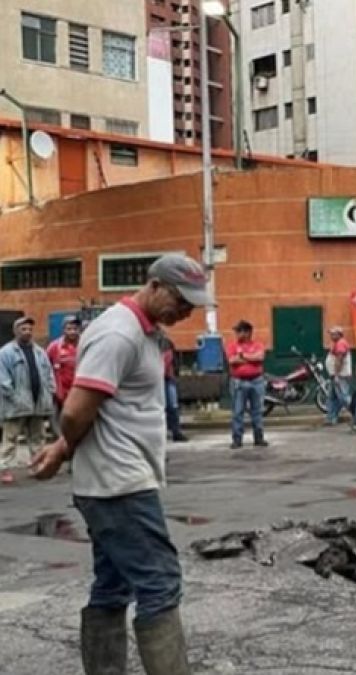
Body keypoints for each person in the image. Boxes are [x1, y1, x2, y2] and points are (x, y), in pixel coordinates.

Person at [28, 253, 210, 675]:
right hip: (119, 485)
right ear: (154, 284)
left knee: (113, 585)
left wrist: (60, 449)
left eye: (192, 305)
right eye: (181, 300)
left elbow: (95, 412)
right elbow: (75, 412)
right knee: (160, 583)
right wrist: (63, 445)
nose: (185, 311)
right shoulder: (119, 334)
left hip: (114, 480)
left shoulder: (141, 333)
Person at [0, 316, 56, 485]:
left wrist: (51, 391)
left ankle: (35, 465)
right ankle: (4, 468)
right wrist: (14, 397)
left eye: (30, 329)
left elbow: (48, 373)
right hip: (16, 404)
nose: (27, 332)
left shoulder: (39, 352)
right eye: (23, 329)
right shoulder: (6, 353)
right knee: (10, 439)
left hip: (38, 402)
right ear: (16, 331)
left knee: (37, 438)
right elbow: (3, 379)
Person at [225, 320, 267, 450]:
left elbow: (260, 357)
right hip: (239, 381)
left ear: (247, 332)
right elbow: (232, 360)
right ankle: (237, 439)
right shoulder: (232, 346)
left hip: (256, 381)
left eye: (239, 331)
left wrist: (243, 356)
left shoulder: (258, 345)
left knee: (257, 411)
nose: (237, 334)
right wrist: (250, 358)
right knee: (238, 411)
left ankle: (258, 438)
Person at [47, 315, 81, 422]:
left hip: (79, 391)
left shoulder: (84, 345)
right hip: (60, 394)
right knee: (60, 422)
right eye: (69, 329)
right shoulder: (54, 347)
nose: (72, 332)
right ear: (63, 330)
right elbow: (46, 368)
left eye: (75, 329)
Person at [323, 326, 353, 426]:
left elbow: (339, 361)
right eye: (331, 334)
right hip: (336, 375)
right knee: (332, 397)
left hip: (340, 376)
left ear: (339, 334)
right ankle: (331, 418)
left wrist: (336, 375)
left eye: (333, 334)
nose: (331, 336)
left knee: (343, 397)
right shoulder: (337, 343)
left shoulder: (340, 344)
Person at [160, 334, 187, 442]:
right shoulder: (165, 342)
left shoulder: (162, 342)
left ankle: (173, 432)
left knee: (169, 406)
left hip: (164, 378)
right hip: (167, 378)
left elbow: (167, 360)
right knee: (172, 406)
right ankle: (175, 432)